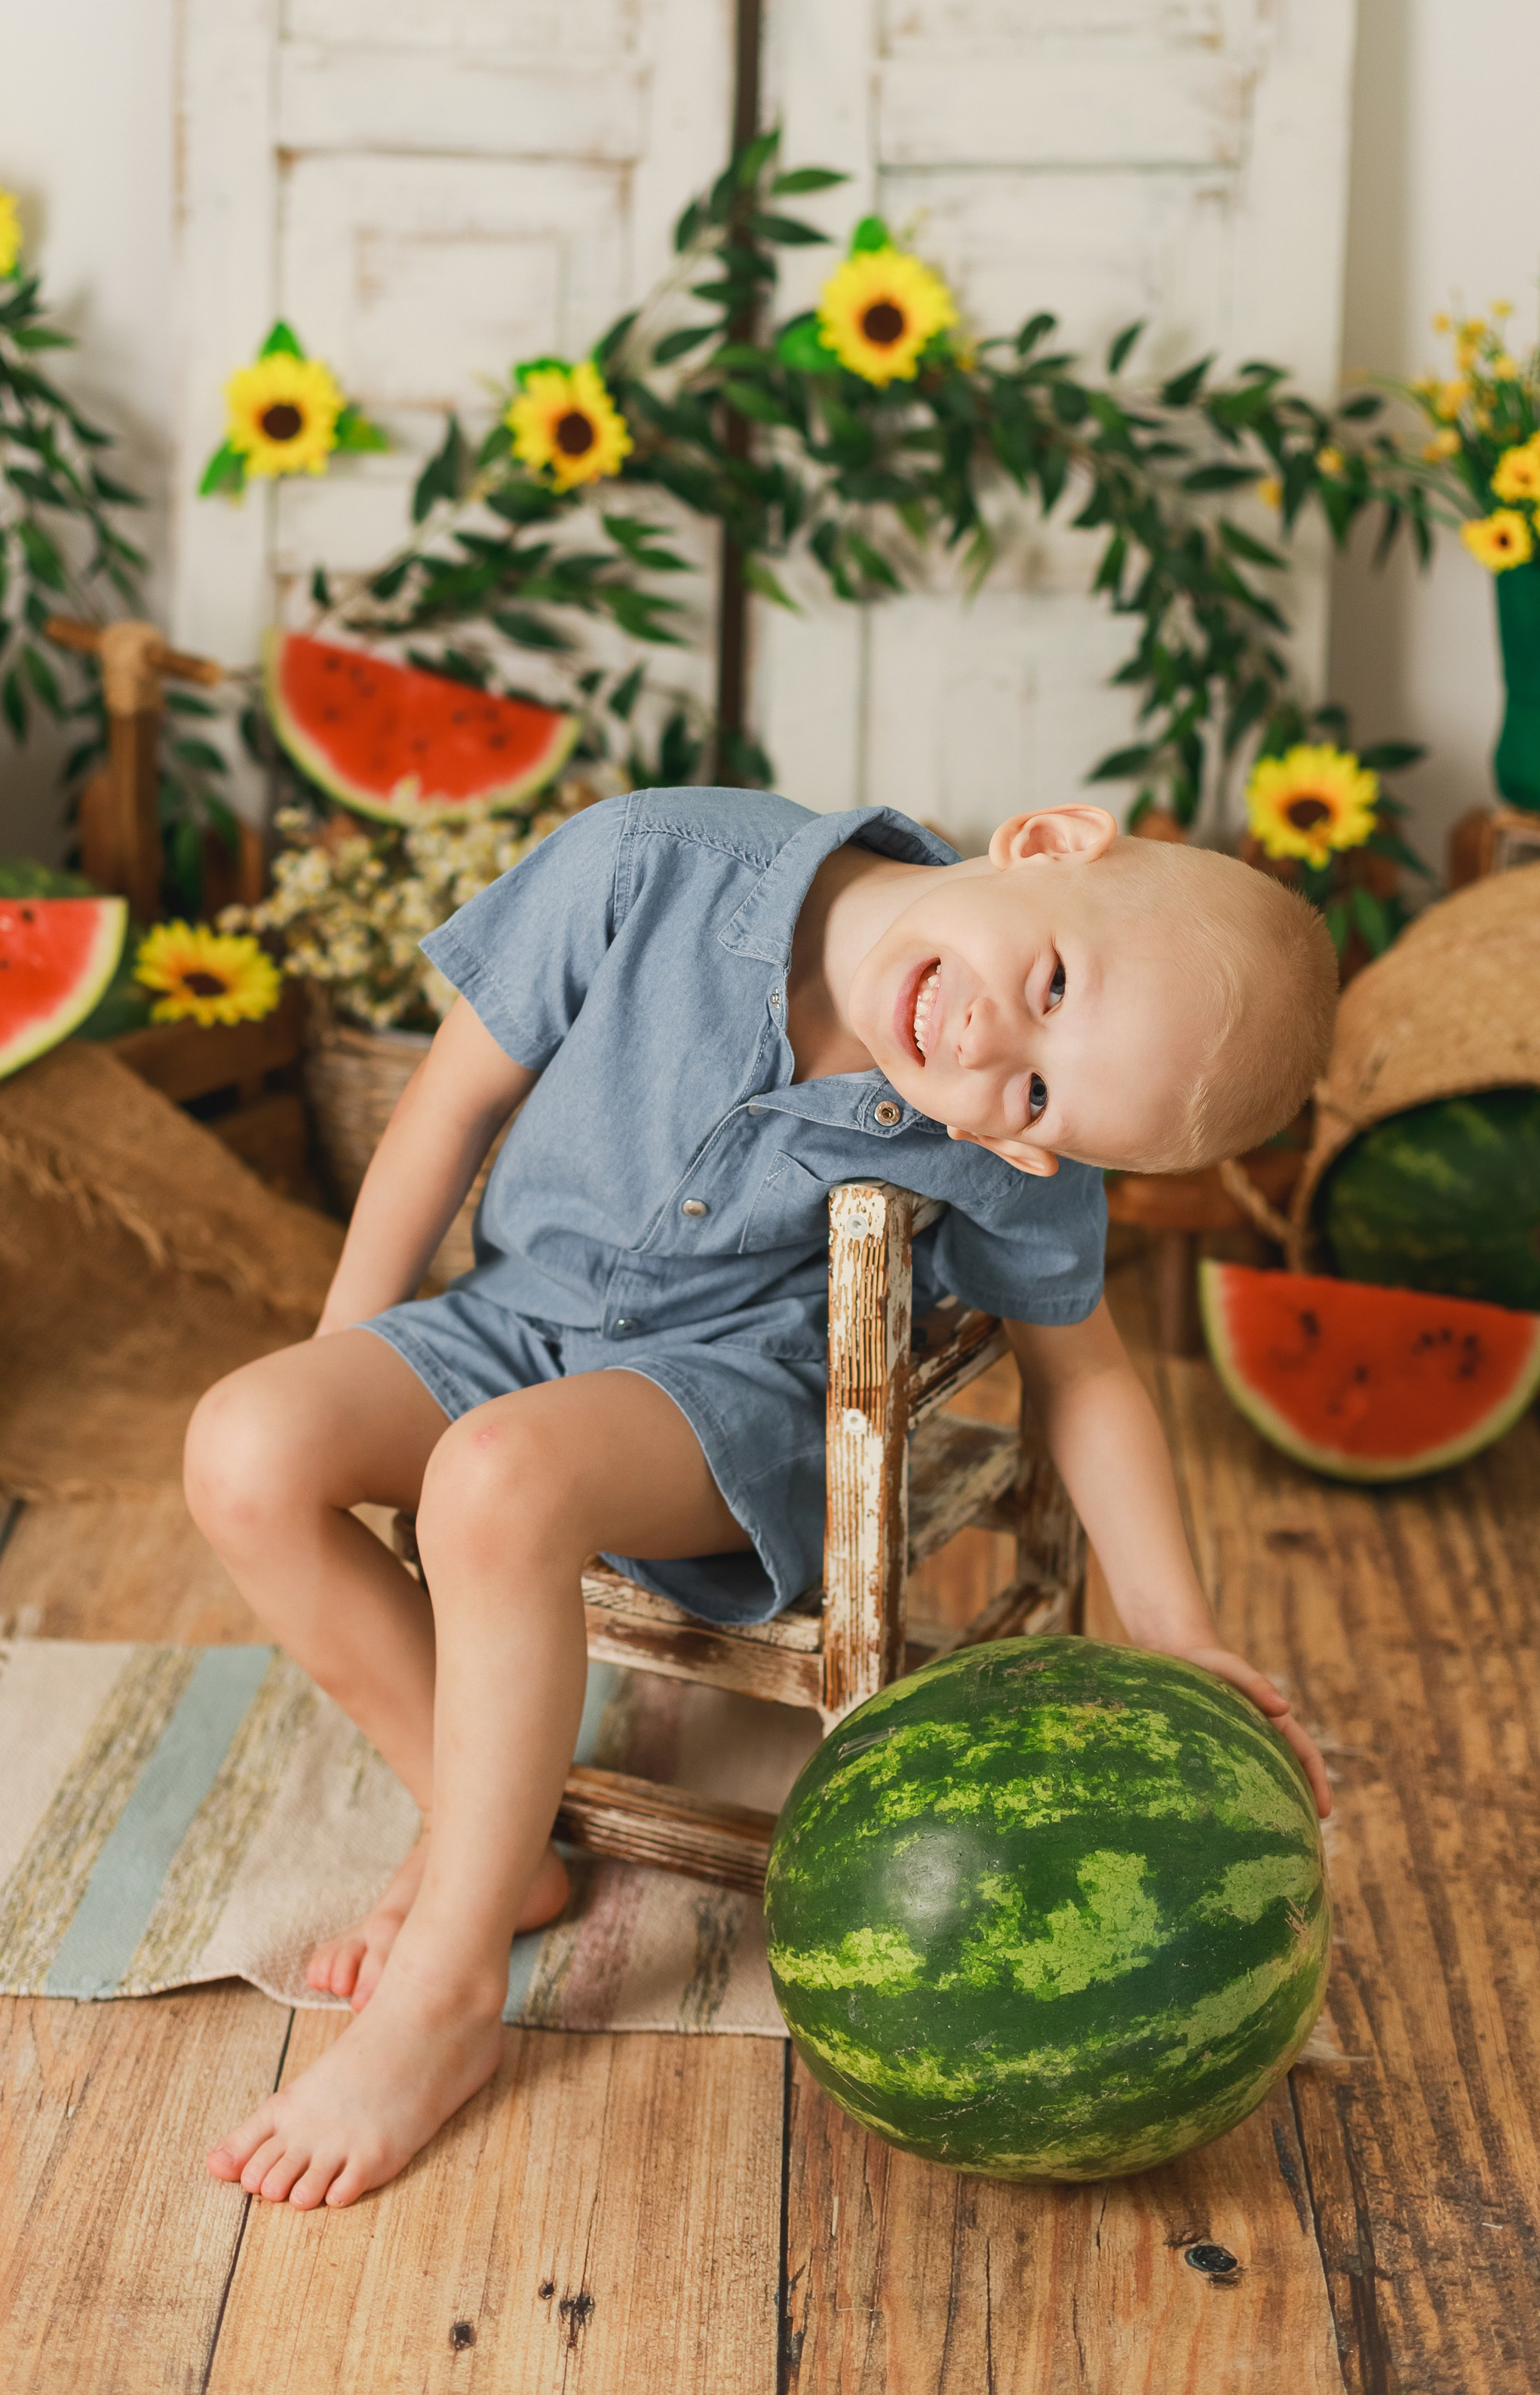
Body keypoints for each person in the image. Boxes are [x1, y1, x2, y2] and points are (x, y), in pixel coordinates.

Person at [189, 787, 1339, 2210]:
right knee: (246, 1443)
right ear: (1046, 843)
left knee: (495, 1480)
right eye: (1049, 981)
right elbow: (450, 1105)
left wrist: (1176, 1628)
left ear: (1041, 1150)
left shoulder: (983, 1141)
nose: (989, 1044)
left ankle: (446, 1992)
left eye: (1038, 1094)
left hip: (735, 1404)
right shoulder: (653, 861)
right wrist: (349, 1352)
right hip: (515, 1317)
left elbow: (1085, 1378)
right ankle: (487, 1830)